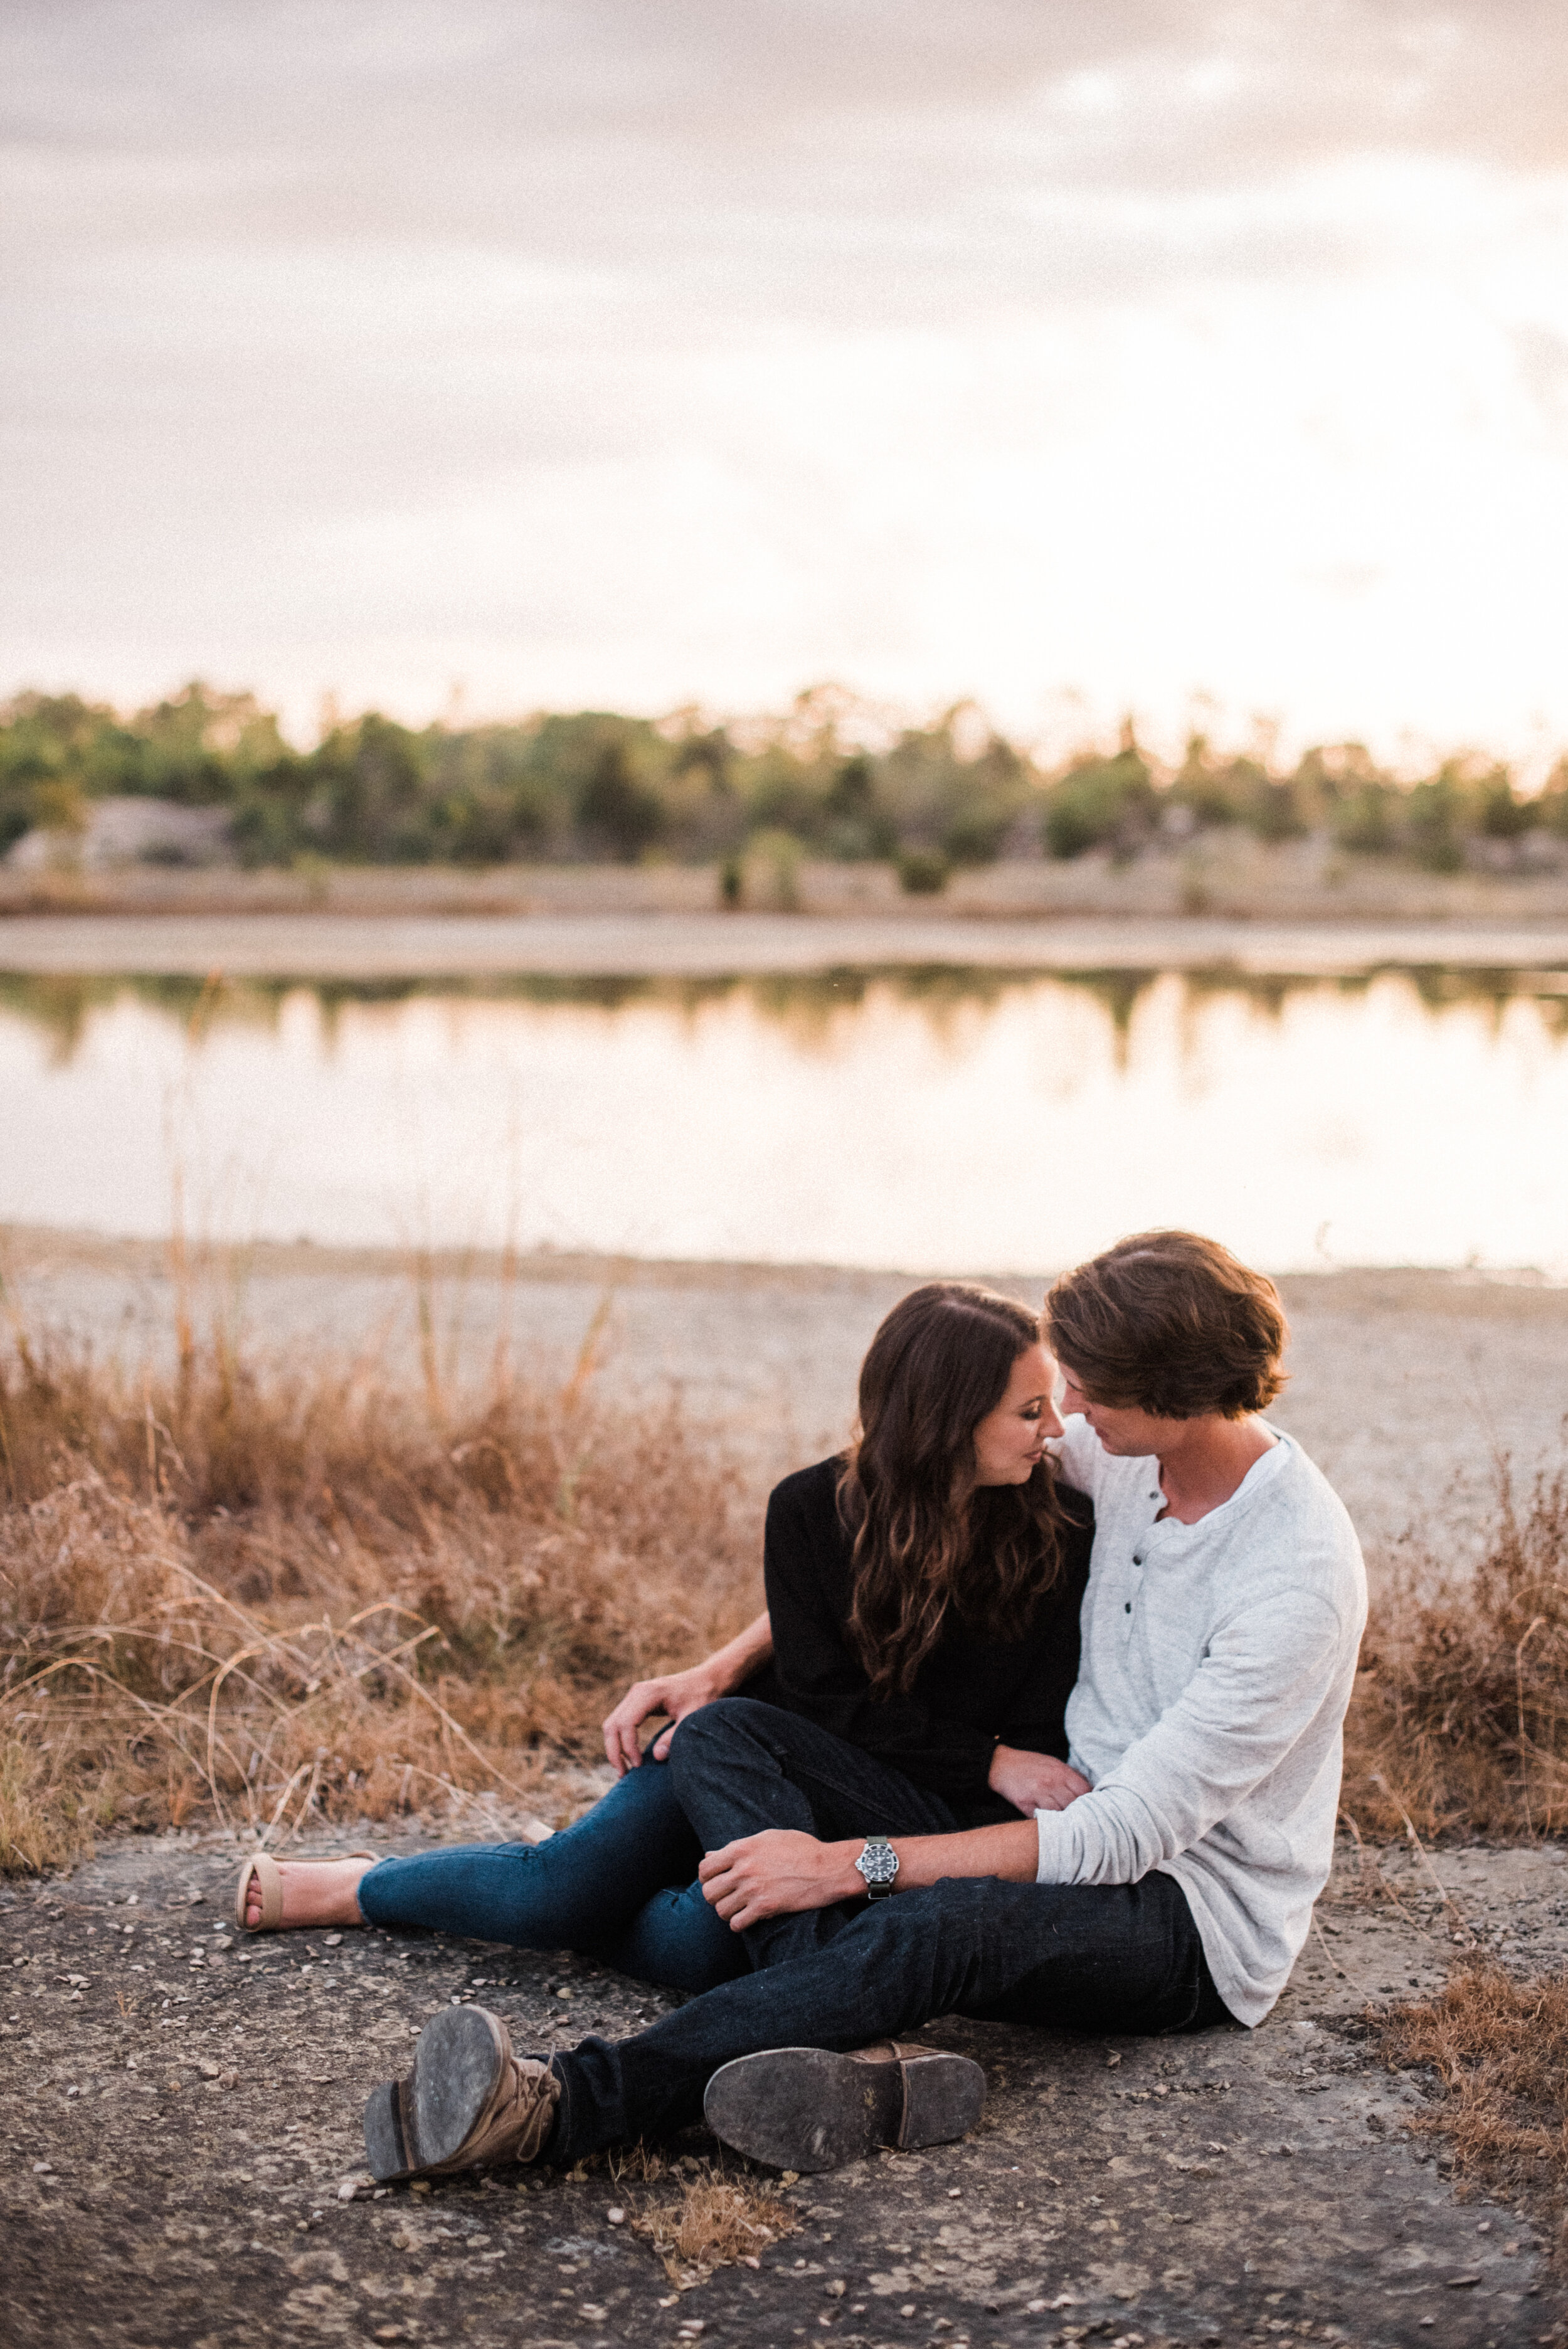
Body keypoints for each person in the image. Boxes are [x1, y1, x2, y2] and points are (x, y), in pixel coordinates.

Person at [357, 1229, 1368, 2185]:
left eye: (1087, 1386)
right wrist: (723, 1664)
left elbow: (1120, 1836)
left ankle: (551, 2106)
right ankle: (852, 2033)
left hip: (1182, 1911)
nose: (1064, 1407)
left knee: (933, 1925)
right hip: (1040, 1819)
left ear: (1177, 1394)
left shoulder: (1293, 1580)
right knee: (723, 1734)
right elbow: (922, 1494)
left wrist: (847, 1862)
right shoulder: (1130, 1451)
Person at [236, 1284, 1093, 1997]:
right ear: (946, 1417)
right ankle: (366, 1884)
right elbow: (824, 1691)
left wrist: (994, 1766)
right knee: (557, 1894)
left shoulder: (1060, 1528)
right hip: (761, 1752)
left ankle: (582, 1876)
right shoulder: (809, 1510)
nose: (1055, 1427)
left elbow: (1025, 1728)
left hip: (887, 1808)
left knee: (699, 1950)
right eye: (1029, 1409)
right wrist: (986, 1758)